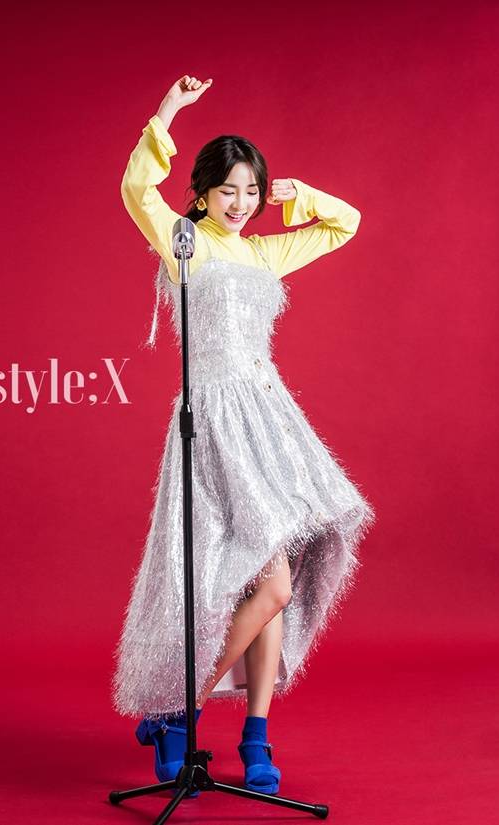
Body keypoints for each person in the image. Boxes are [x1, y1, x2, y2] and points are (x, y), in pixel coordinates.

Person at [112, 74, 376, 797]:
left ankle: (247, 731)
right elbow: (136, 188)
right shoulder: (184, 240)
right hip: (213, 421)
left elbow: (345, 224)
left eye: (251, 191)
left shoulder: (262, 254)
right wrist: (167, 111)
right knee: (269, 580)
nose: (241, 202)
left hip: (269, 419)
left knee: (272, 577)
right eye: (228, 189)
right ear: (202, 193)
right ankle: (181, 711)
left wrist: (296, 193)